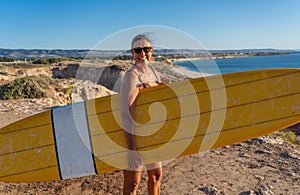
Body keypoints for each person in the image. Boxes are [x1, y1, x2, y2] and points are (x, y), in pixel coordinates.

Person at [120, 34, 170, 195]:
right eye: (138, 50)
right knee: (132, 184)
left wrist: (162, 86)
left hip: (150, 134)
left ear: (152, 51)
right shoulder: (130, 76)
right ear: (132, 53)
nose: (142, 54)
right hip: (134, 136)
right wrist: (131, 149)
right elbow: (126, 113)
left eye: (146, 49)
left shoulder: (154, 72)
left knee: (155, 175)